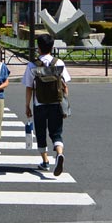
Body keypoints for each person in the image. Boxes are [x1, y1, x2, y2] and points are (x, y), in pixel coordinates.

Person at [24, 33, 71, 176]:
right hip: (56, 103)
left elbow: (29, 87)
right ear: (52, 47)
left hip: (39, 103)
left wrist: (27, 106)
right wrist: (65, 105)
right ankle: (59, 153)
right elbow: (65, 87)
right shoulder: (59, 63)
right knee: (56, 132)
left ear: (38, 47)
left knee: (40, 132)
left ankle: (45, 162)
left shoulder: (33, 65)